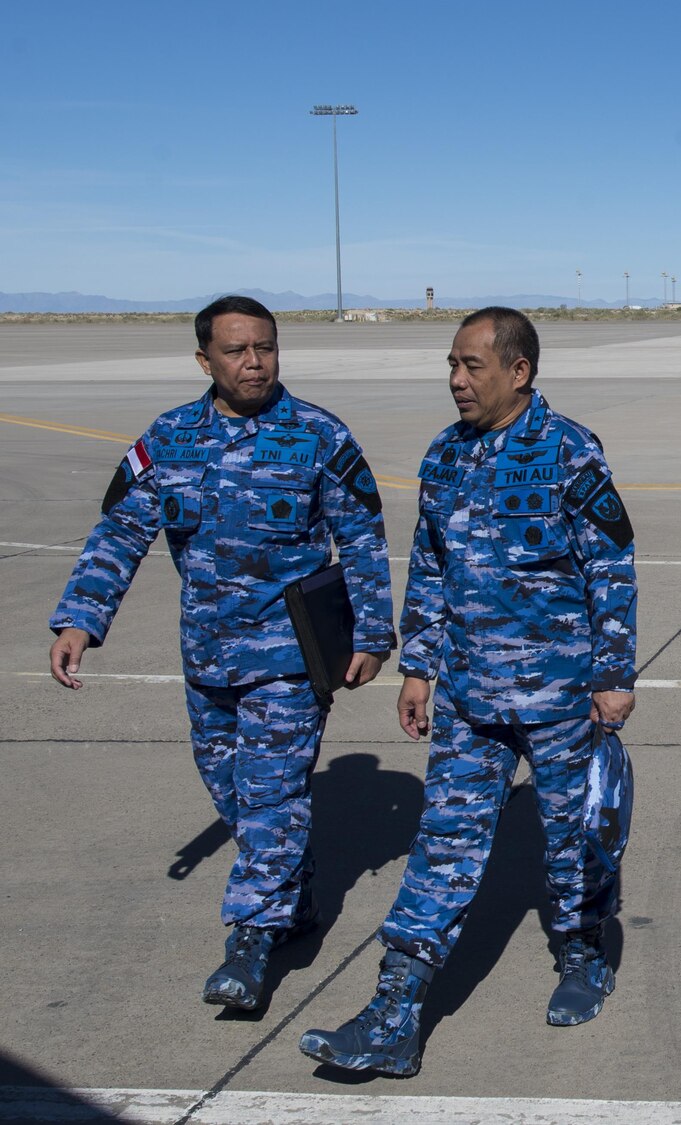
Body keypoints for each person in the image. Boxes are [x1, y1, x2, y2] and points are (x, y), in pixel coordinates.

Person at [299, 307, 638, 1076]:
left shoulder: (569, 450)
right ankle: (394, 1012)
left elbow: (610, 568)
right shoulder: (444, 456)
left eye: (472, 365)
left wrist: (613, 677)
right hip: (467, 696)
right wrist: (419, 665)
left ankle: (583, 953)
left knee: (571, 839)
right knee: (443, 847)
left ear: (518, 372)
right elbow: (428, 565)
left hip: (559, 695)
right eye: (450, 364)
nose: (456, 379)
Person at [47, 295, 394, 1012]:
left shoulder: (317, 436)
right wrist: (81, 619)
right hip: (206, 657)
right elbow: (119, 534)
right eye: (237, 350)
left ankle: (249, 942)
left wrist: (372, 634)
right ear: (204, 359)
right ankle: (291, 899)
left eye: (265, 347)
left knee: (270, 799)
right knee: (233, 791)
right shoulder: (168, 439)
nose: (255, 362)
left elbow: (361, 538)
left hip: (289, 659)